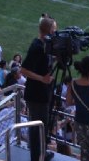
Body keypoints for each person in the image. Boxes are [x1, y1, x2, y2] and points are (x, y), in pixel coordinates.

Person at [20, 17, 56, 161]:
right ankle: (37, 157)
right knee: (37, 128)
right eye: (54, 29)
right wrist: (42, 79)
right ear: (49, 31)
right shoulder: (37, 47)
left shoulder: (44, 45)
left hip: (41, 93)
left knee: (42, 126)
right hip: (36, 94)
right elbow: (23, 69)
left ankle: (42, 152)